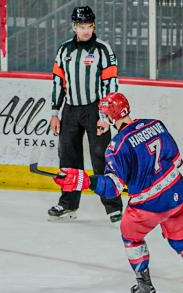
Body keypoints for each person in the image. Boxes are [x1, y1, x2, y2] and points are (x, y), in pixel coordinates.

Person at [52, 92, 183, 293]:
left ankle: (145, 285)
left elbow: (113, 188)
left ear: (110, 116)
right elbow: (176, 161)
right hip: (177, 193)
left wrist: (85, 181)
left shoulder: (116, 147)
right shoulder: (156, 125)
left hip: (149, 204)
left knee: (131, 236)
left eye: (104, 113)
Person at [47, 5, 123, 224]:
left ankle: (113, 207)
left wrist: (106, 116)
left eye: (89, 26)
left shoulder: (103, 50)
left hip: (95, 110)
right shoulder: (64, 50)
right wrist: (55, 112)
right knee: (68, 158)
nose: (86, 31)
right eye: (82, 26)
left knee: (102, 157)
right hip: (70, 110)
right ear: (74, 27)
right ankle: (68, 204)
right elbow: (57, 83)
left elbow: (111, 85)